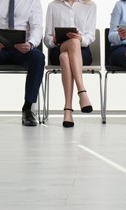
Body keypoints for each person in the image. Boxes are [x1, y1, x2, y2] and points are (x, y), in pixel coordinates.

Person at [0, 0, 45, 129]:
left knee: (38, 57)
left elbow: (37, 27)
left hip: (22, 50)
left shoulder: (32, 1)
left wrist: (31, 43)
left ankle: (27, 109)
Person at [44, 0, 96, 128]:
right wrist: (53, 39)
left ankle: (68, 109)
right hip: (58, 48)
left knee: (66, 56)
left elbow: (91, 35)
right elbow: (46, 38)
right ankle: (82, 92)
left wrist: (80, 38)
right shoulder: (53, 6)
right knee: (70, 46)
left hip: (82, 52)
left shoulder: (90, 6)